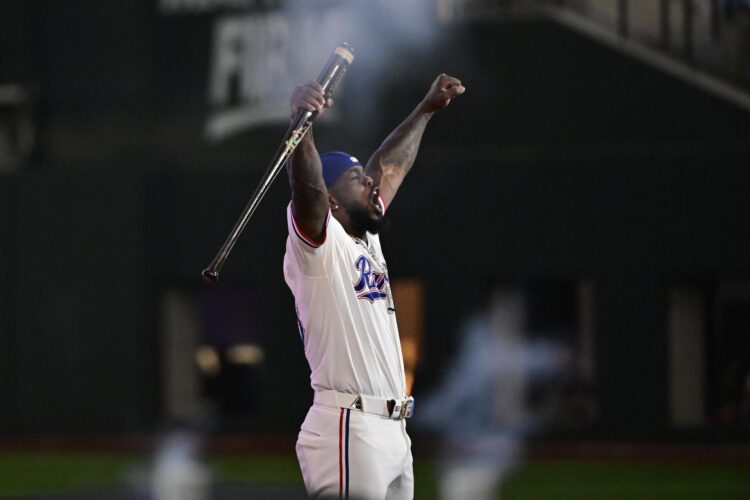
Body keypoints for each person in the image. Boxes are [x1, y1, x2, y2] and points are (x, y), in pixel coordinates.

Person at [283, 73, 465, 499]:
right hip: (350, 426)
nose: (368, 182)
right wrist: (300, 125)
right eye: (354, 179)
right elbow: (307, 189)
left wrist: (425, 109)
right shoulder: (319, 246)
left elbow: (389, 165)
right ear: (330, 201)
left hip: (392, 431)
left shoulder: (366, 240)